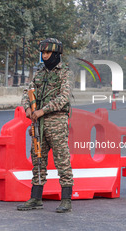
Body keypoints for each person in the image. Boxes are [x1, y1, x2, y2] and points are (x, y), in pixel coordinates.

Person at [17, 38, 74, 213]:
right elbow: (28, 92)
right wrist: (27, 108)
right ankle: (36, 197)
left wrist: (43, 110)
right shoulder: (39, 73)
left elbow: (64, 97)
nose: (45, 56)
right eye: (43, 53)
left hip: (56, 121)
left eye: (48, 53)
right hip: (38, 123)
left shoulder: (65, 73)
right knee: (38, 159)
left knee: (61, 160)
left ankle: (66, 199)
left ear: (56, 54)